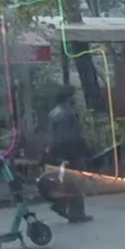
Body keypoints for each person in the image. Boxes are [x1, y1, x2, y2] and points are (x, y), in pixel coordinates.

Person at [45, 85, 91, 223]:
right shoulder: (66, 113)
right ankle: (72, 210)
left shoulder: (54, 112)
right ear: (68, 97)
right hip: (69, 151)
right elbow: (70, 135)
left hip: (59, 151)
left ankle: (67, 207)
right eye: (73, 95)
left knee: (69, 181)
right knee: (76, 180)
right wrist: (81, 149)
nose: (75, 98)